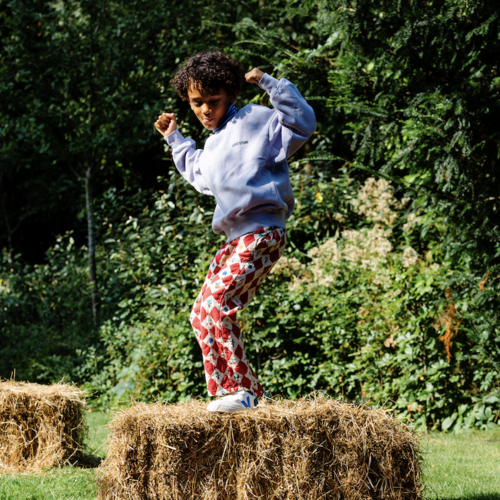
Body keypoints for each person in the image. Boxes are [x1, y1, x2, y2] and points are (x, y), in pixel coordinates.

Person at [154, 51, 315, 412]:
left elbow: (302, 122)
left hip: (262, 231)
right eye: (197, 103)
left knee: (219, 304)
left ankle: (242, 389)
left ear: (229, 96)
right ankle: (235, 392)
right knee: (200, 313)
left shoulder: (257, 120)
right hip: (234, 239)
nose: (205, 110)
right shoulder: (211, 145)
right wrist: (175, 137)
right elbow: (199, 175)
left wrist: (270, 84)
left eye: (213, 102)